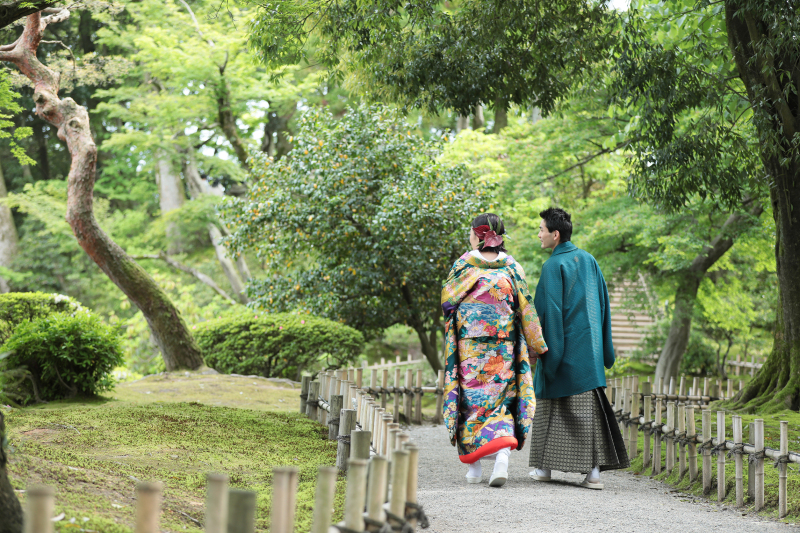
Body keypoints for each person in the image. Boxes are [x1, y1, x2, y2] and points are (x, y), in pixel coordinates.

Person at [441, 213, 548, 487]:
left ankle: (474, 469)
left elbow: (447, 302)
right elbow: (526, 306)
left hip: (471, 349)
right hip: (503, 348)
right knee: (500, 401)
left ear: (478, 236)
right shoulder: (513, 267)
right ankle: (501, 457)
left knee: (471, 402)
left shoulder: (464, 264)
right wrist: (538, 345)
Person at [528, 207, 629, 490]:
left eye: (541, 230)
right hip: (590, 351)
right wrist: (603, 349)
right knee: (587, 415)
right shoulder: (589, 260)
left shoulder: (552, 266)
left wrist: (549, 355)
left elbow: (548, 313)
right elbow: (604, 306)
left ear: (555, 234)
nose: (538, 235)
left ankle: (544, 468)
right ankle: (593, 473)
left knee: (551, 408)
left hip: (563, 349)